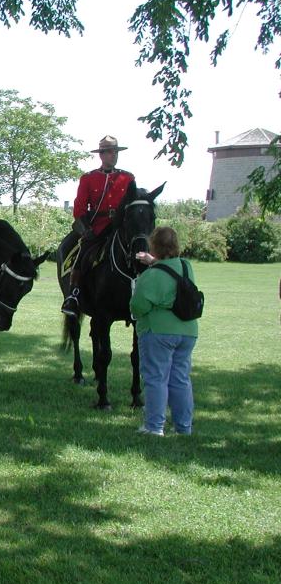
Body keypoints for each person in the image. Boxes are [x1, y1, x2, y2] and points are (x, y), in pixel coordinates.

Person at [130, 226, 198, 435]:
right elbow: (170, 270)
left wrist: (152, 265)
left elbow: (138, 306)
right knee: (180, 378)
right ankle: (184, 427)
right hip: (187, 330)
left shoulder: (151, 276)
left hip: (158, 331)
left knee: (156, 378)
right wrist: (153, 261)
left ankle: (154, 426)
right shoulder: (187, 267)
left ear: (154, 246)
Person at [61, 135, 136, 317]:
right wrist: (87, 230)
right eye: (110, 152)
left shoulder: (127, 178)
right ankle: (73, 294)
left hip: (121, 227)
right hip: (99, 228)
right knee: (83, 253)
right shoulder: (89, 178)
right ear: (101, 155)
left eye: (116, 152)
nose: (114, 156)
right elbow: (79, 208)